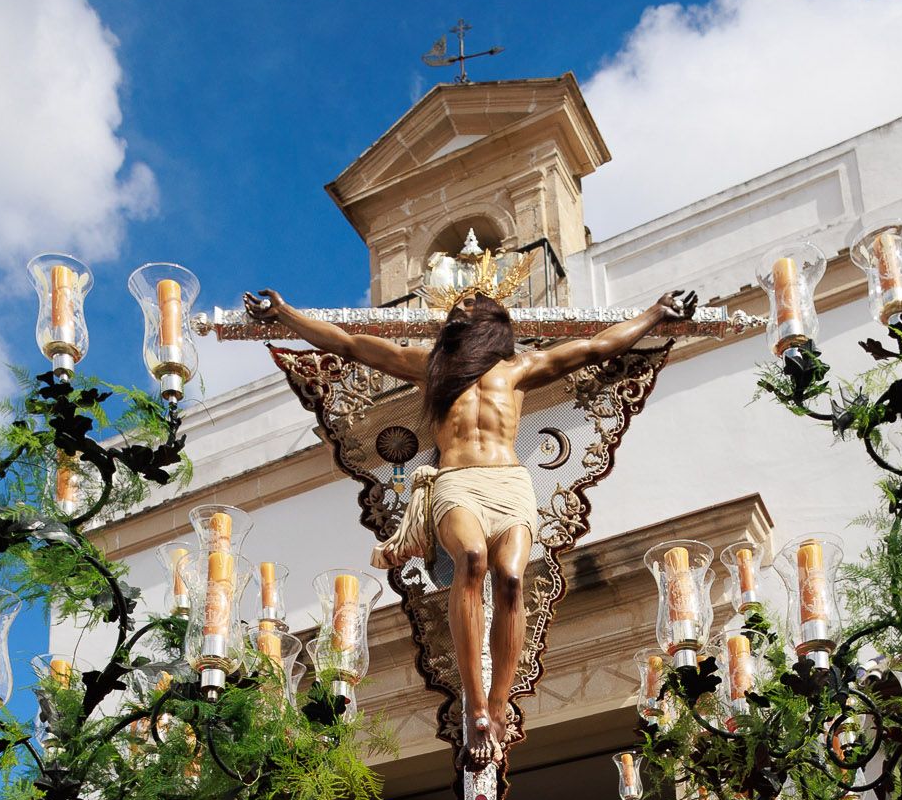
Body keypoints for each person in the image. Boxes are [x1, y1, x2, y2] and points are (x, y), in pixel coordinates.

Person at [245, 284, 693, 765]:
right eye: (456, 307)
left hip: (510, 484)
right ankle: (475, 702)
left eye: (472, 305)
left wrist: (654, 313)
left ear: (494, 323)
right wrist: (288, 314)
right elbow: (351, 344)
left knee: (514, 580)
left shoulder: (518, 369)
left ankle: (498, 706)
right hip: (457, 482)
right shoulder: (431, 368)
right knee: (473, 559)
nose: (461, 308)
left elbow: (594, 347)